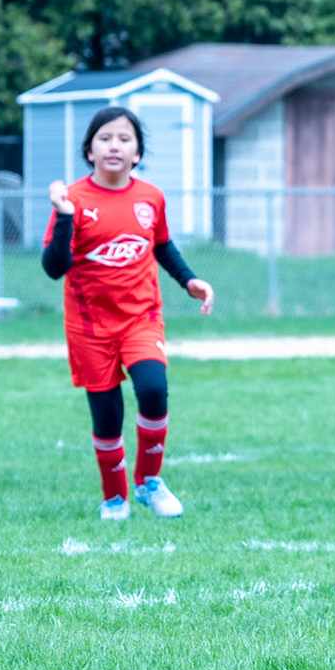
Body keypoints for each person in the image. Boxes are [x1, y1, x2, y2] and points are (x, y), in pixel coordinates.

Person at [41, 105, 213, 520]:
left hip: (141, 318)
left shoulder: (151, 197)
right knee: (107, 413)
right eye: (105, 138)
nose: (114, 145)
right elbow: (53, 268)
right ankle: (114, 495)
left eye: (124, 138)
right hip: (89, 327)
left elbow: (162, 246)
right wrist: (65, 217)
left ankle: (149, 481)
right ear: (89, 150)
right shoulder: (74, 200)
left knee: (153, 388)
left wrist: (189, 280)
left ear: (137, 153)